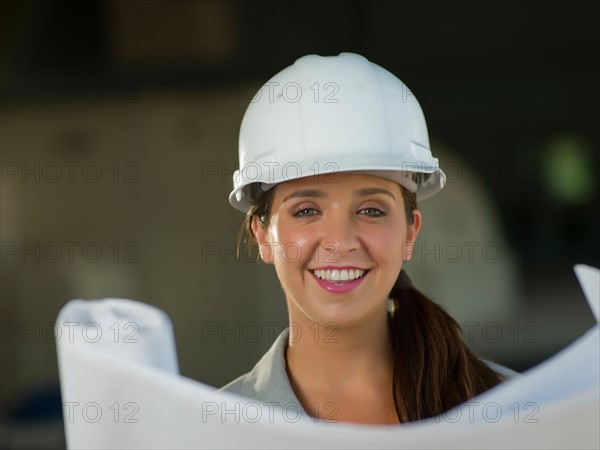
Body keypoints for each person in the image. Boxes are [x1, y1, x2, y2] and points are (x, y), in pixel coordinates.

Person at [219, 52, 516, 425]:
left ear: (410, 232)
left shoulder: (510, 410)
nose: (340, 242)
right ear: (262, 235)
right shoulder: (211, 432)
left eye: (371, 210)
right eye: (306, 210)